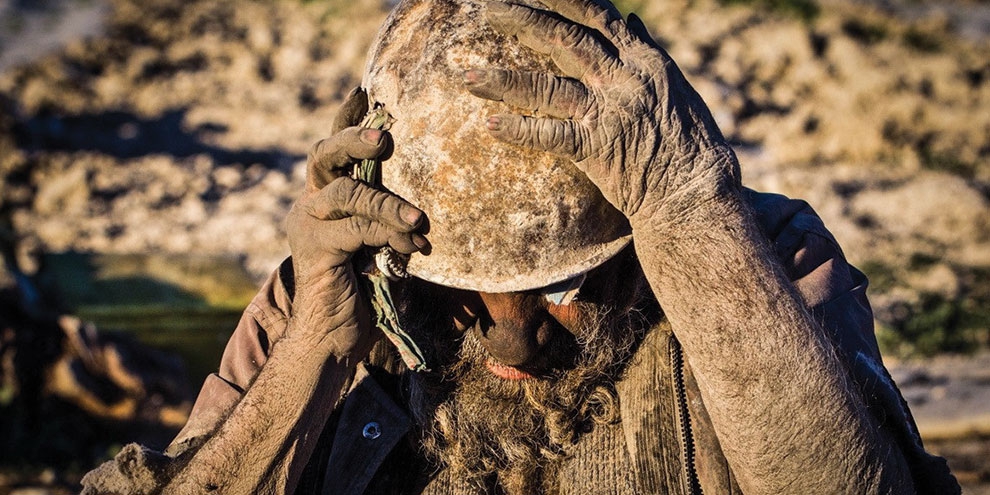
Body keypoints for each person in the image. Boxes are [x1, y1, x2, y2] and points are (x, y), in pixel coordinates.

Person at [82, 0, 960, 493]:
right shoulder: (325, 298)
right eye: (460, 283)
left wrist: (692, 214)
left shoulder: (755, 255)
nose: (510, 332)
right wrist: (310, 354)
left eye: (559, 281)